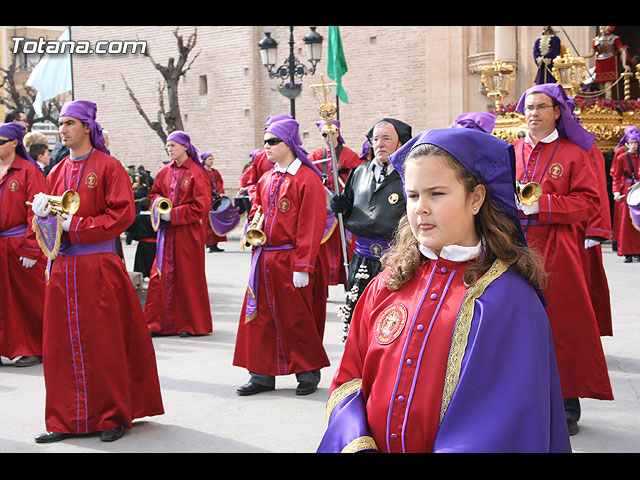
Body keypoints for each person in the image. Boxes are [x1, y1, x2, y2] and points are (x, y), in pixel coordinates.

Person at [317, 128, 571, 453]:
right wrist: (357, 442)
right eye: (412, 195)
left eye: (436, 193)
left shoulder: (510, 303)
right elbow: (350, 379)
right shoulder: (386, 285)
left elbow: (505, 423)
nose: (420, 208)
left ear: (476, 198)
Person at [30, 99, 163, 443]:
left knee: (104, 343)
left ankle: (111, 415)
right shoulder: (56, 172)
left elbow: (122, 215)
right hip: (63, 268)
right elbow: (46, 230)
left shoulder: (108, 166)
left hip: (97, 266)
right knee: (61, 346)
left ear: (87, 127)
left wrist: (78, 224)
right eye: (60, 124)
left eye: (69, 123)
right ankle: (65, 418)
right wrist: (41, 215)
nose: (63, 130)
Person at [513, 83, 613, 435]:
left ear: (557, 112)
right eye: (528, 108)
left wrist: (545, 205)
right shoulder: (511, 151)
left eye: (541, 107)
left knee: (562, 327)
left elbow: (589, 202)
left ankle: (567, 404)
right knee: (516, 326)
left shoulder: (573, 154)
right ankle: (520, 400)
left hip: (558, 250)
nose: (533, 114)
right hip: (515, 248)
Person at [233, 117, 329, 396]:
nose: (267, 146)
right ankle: (261, 374)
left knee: (297, 318)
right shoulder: (266, 178)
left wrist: (303, 265)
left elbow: (310, 225)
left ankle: (308, 372)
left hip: (291, 260)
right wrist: (254, 221)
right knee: (260, 318)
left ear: (288, 143)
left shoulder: (307, 179)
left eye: (273, 141)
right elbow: (259, 209)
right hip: (264, 258)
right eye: (265, 142)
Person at [329, 118, 412, 334]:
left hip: (395, 256)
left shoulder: (408, 175)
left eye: (386, 138)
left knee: (390, 319)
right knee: (358, 315)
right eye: (376, 138)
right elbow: (347, 210)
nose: (380, 144)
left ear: (400, 143)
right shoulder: (359, 172)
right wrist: (341, 206)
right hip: (361, 258)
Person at [144, 130, 212, 337]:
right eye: (168, 146)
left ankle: (191, 324)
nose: (170, 149)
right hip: (167, 234)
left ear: (184, 146)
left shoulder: (196, 172)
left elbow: (202, 206)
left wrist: (173, 215)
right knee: (160, 276)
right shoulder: (164, 171)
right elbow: (155, 193)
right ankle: (158, 323)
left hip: (187, 233)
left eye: (173, 145)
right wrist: (158, 206)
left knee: (188, 277)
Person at [0, 122, 46, 368]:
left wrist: (31, 247)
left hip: (19, 245)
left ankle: (35, 347)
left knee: (28, 299)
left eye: (1, 141)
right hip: (1, 245)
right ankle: (5, 347)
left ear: (15, 143)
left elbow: (37, 214)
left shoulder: (29, 171)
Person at [308, 119, 363, 287]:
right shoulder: (316, 156)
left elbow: (359, 180)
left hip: (344, 207)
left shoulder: (350, 155)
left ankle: (350, 282)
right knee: (324, 248)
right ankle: (323, 284)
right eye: (325, 134)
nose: (328, 137)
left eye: (331, 133)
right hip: (324, 209)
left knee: (348, 246)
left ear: (338, 133)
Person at [610, 132, 640, 262]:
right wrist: (616, 191)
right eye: (632, 143)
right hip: (627, 191)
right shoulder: (622, 157)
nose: (634, 146)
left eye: (636, 143)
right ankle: (627, 252)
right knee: (626, 222)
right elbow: (616, 176)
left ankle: (638, 252)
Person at [584, 26, 629, 99]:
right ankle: (603, 104)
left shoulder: (614, 38)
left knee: (607, 86)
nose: (602, 27)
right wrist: (582, 57)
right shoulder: (596, 39)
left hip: (610, 61)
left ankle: (608, 104)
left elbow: (622, 51)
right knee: (601, 88)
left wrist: (624, 64)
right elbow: (592, 53)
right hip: (600, 63)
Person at [202, 151, 227, 252]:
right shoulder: (202, 172)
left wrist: (221, 192)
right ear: (204, 161)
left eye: (212, 159)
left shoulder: (215, 172)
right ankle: (209, 244)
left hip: (216, 199)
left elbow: (220, 183)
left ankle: (215, 244)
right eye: (209, 159)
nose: (212, 161)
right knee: (208, 223)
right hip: (207, 200)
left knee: (217, 222)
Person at [131, 196, 157, 279]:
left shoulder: (136, 218)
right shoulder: (154, 218)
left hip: (142, 244)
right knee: (152, 262)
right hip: (153, 245)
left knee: (141, 262)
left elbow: (131, 230)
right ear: (150, 207)